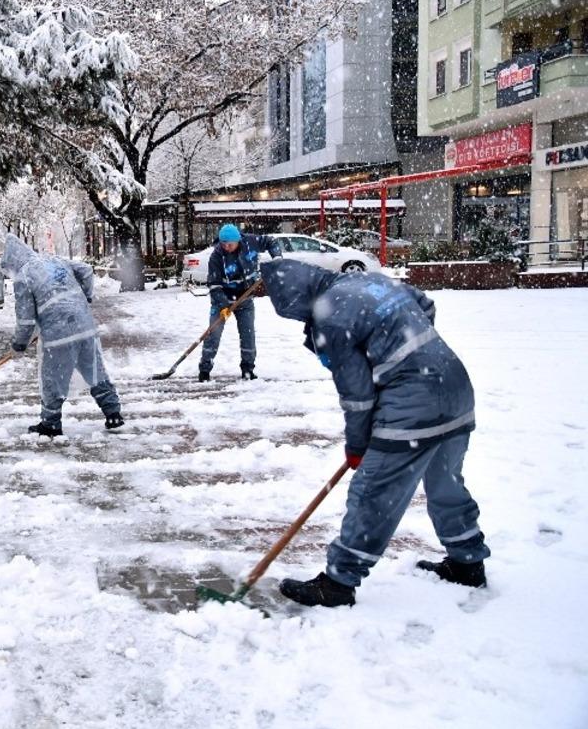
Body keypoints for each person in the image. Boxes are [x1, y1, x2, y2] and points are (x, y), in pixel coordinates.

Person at [260, 258, 490, 607]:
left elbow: (358, 397)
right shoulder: (370, 281)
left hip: (412, 404)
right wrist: (410, 354)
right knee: (446, 483)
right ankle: (467, 561)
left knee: (372, 492)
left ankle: (338, 583)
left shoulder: (330, 316)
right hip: (455, 386)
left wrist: (357, 446)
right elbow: (425, 303)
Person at [0, 234, 123, 437]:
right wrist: (85, 295)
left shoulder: (24, 276)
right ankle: (113, 413)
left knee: (53, 378)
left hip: (59, 335)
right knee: (94, 370)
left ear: (13, 262)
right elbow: (85, 270)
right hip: (85, 326)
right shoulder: (54, 260)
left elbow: (25, 319)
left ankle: (51, 423)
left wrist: (19, 344)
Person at [199, 223, 282, 382]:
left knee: (248, 335)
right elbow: (214, 285)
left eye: (230, 243)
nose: (226, 247)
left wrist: (277, 257)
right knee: (213, 334)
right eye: (223, 243)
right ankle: (204, 370)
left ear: (238, 240)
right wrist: (223, 305)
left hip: (245, 299)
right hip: (221, 301)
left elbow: (271, 241)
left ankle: (248, 369)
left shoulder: (250, 242)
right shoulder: (216, 256)